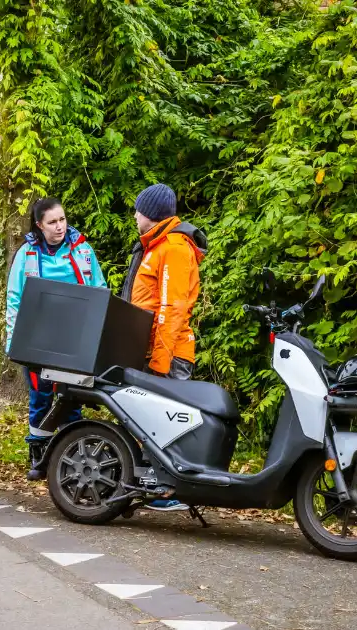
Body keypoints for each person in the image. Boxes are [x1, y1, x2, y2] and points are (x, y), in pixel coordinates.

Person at [4, 197, 106, 481]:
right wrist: (14, 341)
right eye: (52, 222)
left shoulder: (83, 250)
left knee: (72, 397)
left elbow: (99, 289)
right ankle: (39, 454)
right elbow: (14, 298)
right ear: (39, 225)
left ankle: (73, 455)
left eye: (62, 220)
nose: (60, 226)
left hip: (74, 339)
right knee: (41, 397)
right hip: (39, 339)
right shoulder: (27, 254)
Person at [120, 183, 207, 512]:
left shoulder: (172, 248)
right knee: (147, 420)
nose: (134, 215)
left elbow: (172, 309)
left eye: (138, 210)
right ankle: (155, 483)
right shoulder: (154, 246)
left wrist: (159, 363)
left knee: (164, 421)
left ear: (152, 215)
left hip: (168, 354)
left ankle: (170, 490)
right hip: (153, 350)